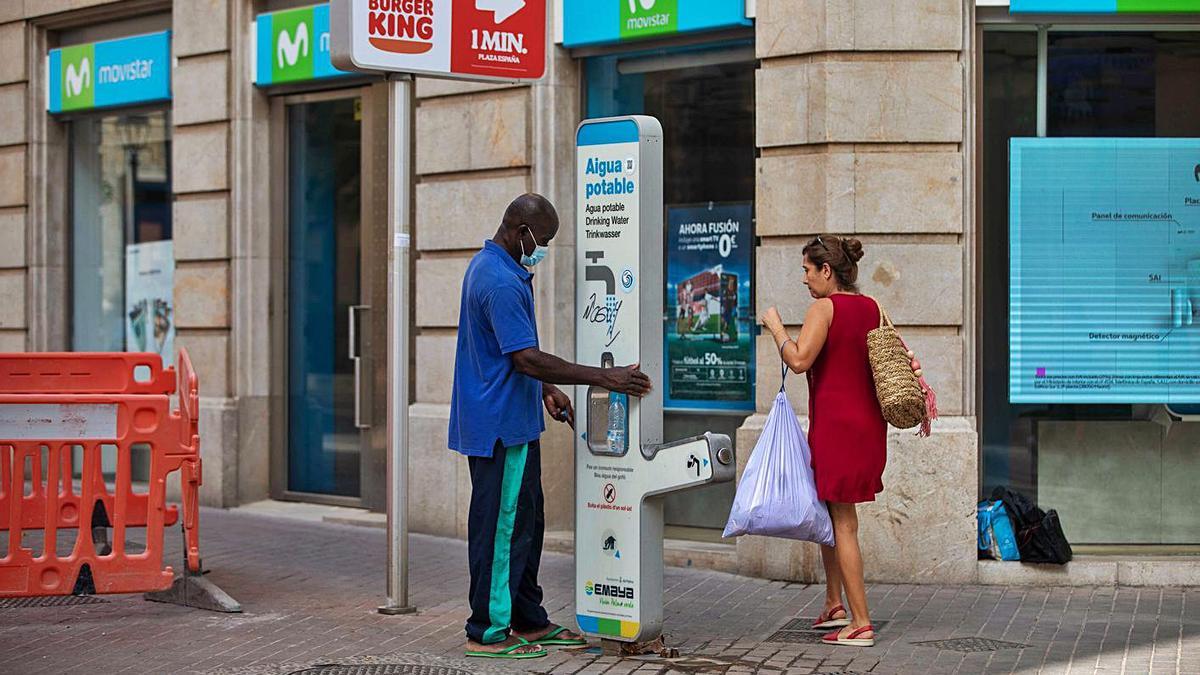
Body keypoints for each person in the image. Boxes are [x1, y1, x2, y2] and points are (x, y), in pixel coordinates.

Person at [450, 193, 653, 660]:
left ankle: (527, 618)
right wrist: (606, 377)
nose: (543, 248)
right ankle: (488, 630)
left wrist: (546, 391)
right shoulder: (499, 281)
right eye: (543, 240)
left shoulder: (500, 269)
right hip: (501, 427)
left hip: (515, 421)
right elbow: (525, 358)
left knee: (526, 523)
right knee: (502, 529)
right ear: (520, 230)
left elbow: (511, 354)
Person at [759, 235, 919, 649]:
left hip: (837, 429)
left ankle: (861, 622)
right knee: (832, 514)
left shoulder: (824, 308)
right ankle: (834, 603)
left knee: (843, 523)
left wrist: (776, 328)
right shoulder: (872, 308)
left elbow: (798, 361)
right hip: (866, 428)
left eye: (807, 271)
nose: (805, 280)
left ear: (826, 271)